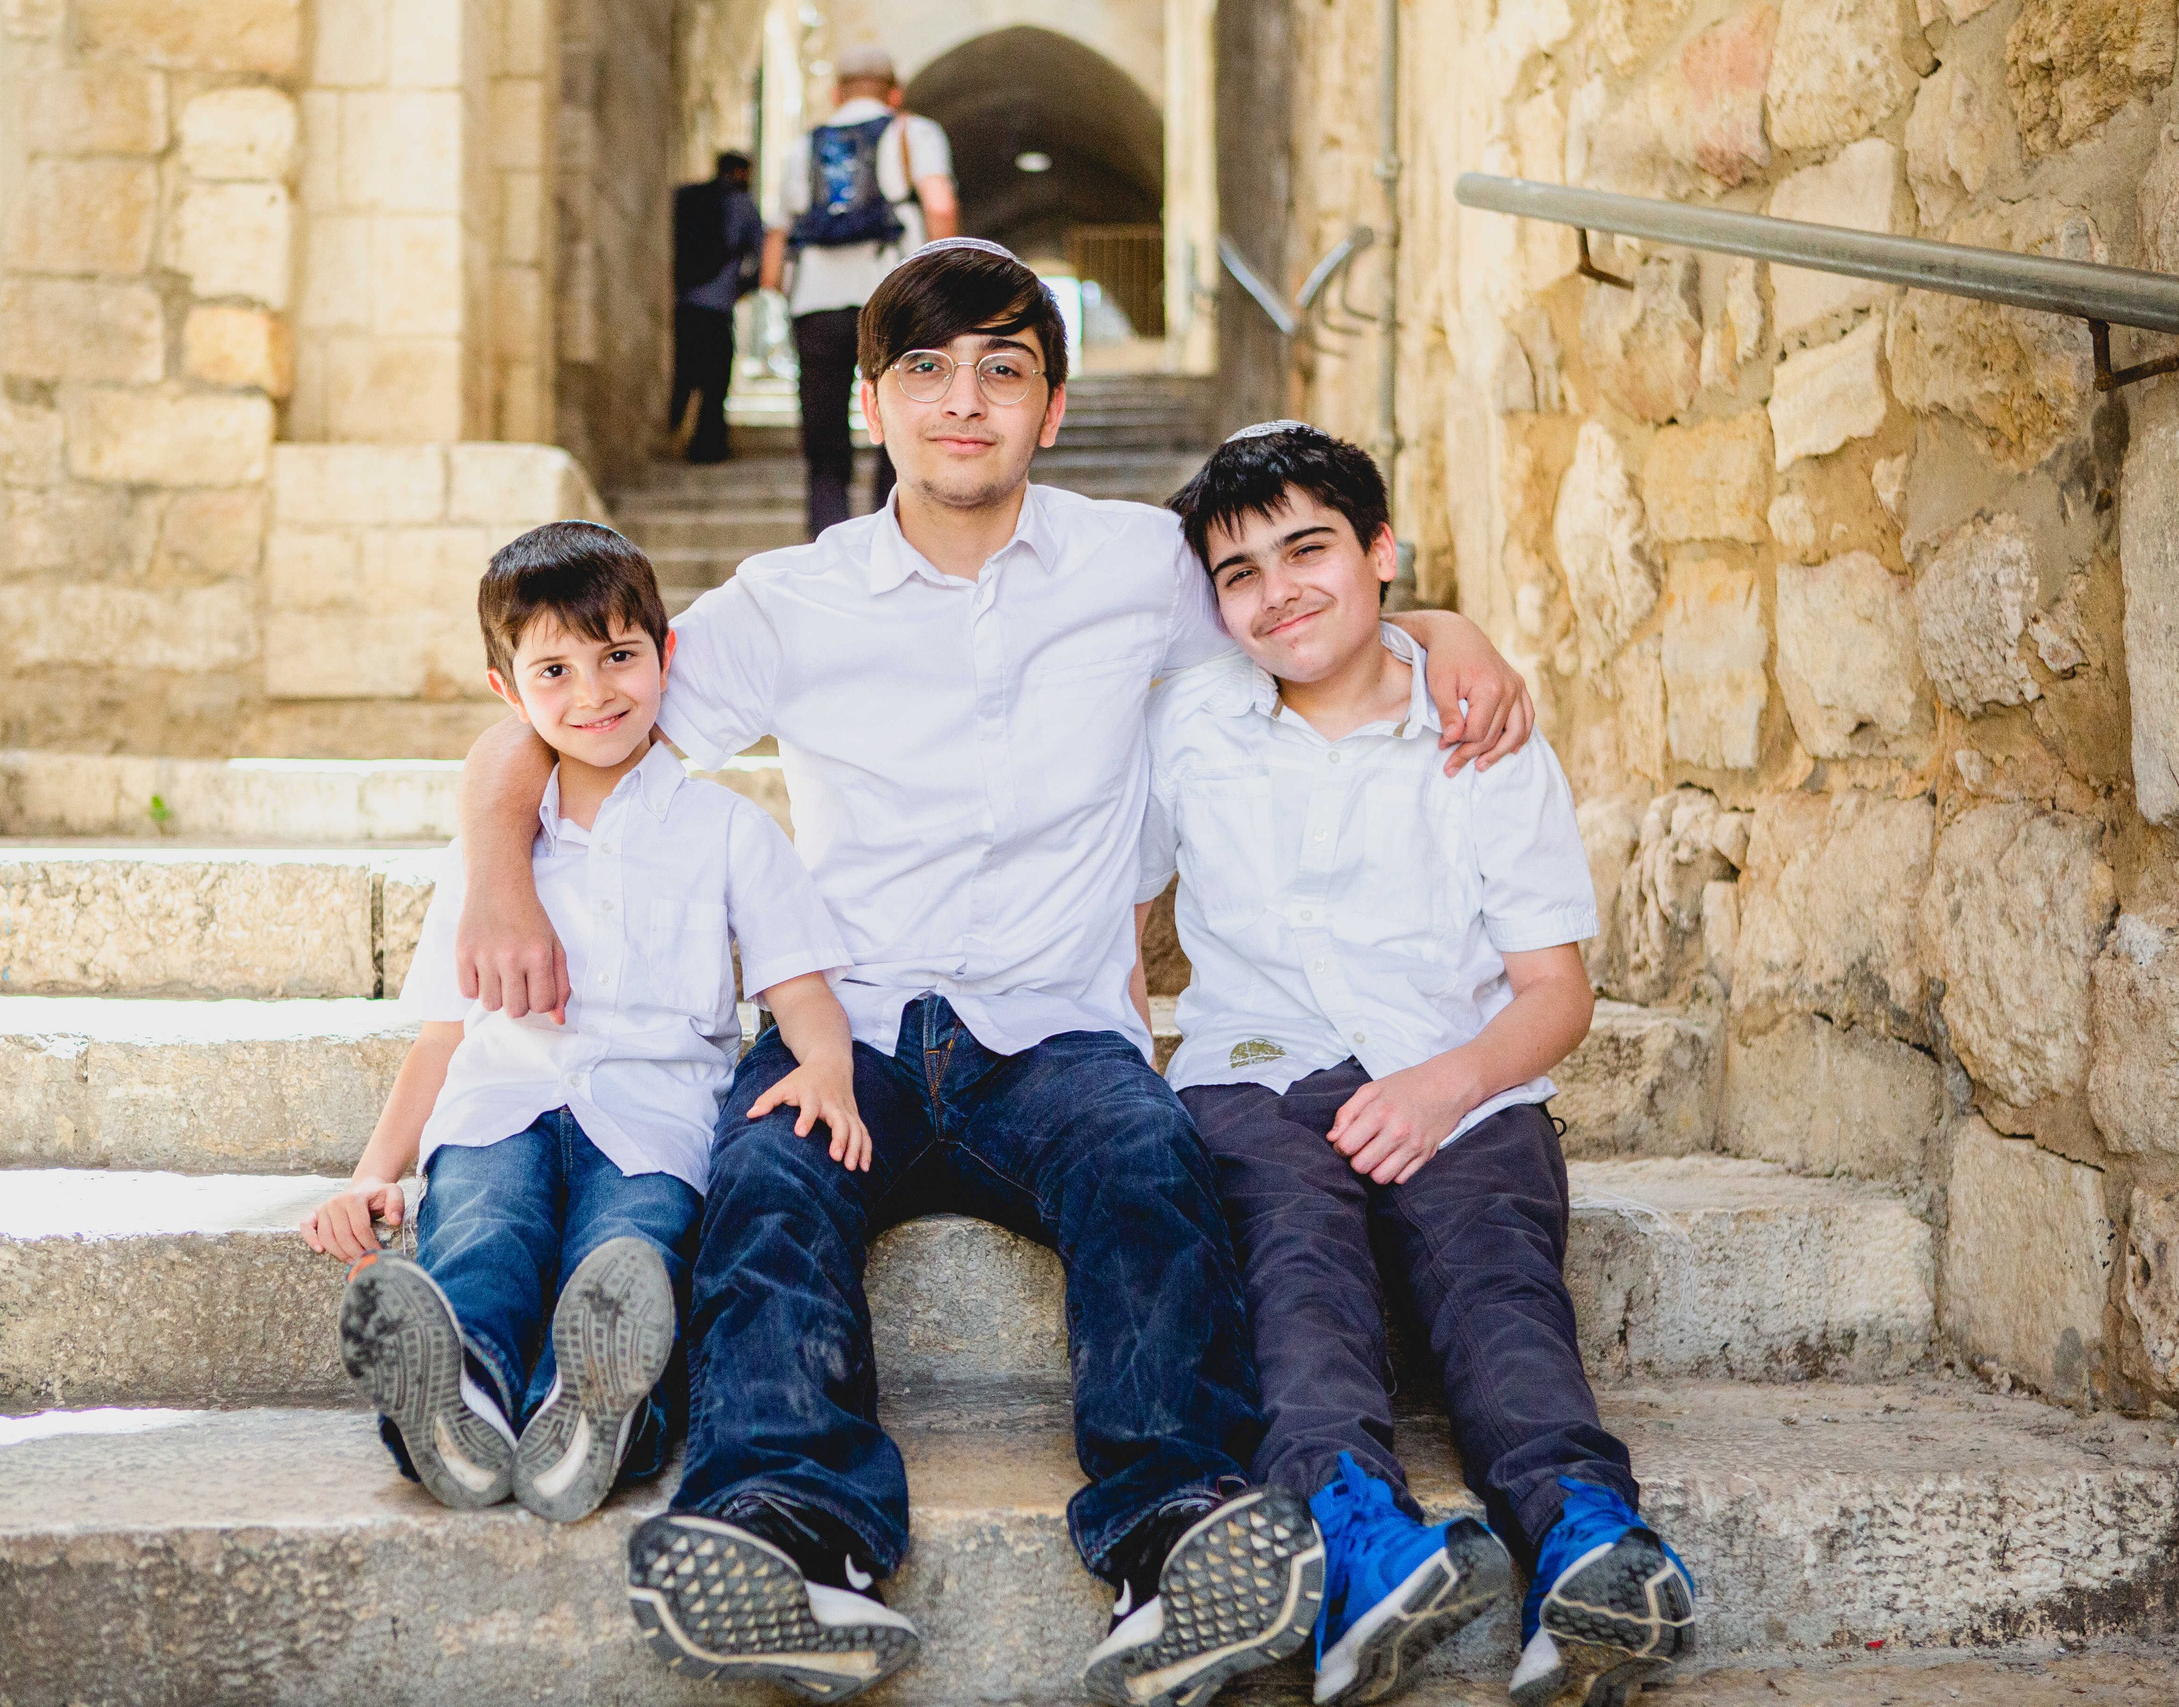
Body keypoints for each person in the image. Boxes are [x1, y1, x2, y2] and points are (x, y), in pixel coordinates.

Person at [447, 240, 1544, 1705]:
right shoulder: (794, 598)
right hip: (855, 1022)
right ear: (875, 397)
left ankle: (1175, 1528)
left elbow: (1300, 614)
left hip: (1056, 1030)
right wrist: (503, 871)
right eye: (927, 370)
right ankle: (783, 1525)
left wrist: (1438, 628)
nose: (964, 401)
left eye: (1002, 370)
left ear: (1053, 403)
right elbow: (561, 709)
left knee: (1153, 1167)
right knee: (768, 1183)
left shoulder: (1136, 567)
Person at [1143, 423, 1697, 1707]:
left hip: (1463, 1071)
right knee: (1293, 1275)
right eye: (1239, 574)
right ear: (1213, 603)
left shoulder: (1482, 737)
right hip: (1256, 1073)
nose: (1278, 591)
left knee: (1497, 1292)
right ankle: (1355, 1536)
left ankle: (1587, 1542)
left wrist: (1444, 1086)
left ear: (1378, 551)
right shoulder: (1188, 726)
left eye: (1309, 550)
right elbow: (1115, 930)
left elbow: (1557, 994)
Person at [298, 521, 865, 1529]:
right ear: (506, 694)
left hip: (655, 1125)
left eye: (619, 657)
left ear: (663, 656)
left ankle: (589, 1414)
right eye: (554, 670)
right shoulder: (489, 858)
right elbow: (440, 1036)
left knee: (631, 1257)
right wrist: (373, 1172)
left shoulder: (727, 830)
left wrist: (824, 1063)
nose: (594, 693)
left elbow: (800, 985)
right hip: (499, 1108)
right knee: (480, 1240)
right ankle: (453, 1410)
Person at [763, 45, 956, 535]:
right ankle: (889, 535)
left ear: (836, 94)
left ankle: (828, 544)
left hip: (816, 304)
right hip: (895, 301)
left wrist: (779, 294)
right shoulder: (913, 131)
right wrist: (946, 279)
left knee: (825, 444)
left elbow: (777, 240)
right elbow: (938, 203)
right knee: (901, 429)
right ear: (894, 93)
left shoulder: (803, 146)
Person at [672, 152, 764, 464]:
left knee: (684, 374)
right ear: (741, 172)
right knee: (715, 381)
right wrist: (742, 288)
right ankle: (707, 445)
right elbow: (759, 256)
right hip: (717, 306)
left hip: (683, 304)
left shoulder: (685, 197)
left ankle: (671, 436)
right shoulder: (743, 205)